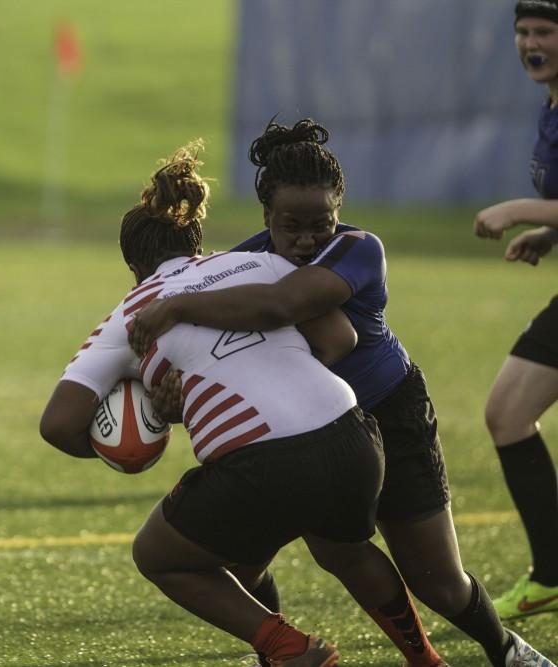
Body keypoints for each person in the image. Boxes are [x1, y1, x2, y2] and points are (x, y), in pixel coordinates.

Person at [127, 122, 554, 667]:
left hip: (390, 412)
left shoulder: (357, 248)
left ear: (339, 212)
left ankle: (508, 652)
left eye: (319, 225)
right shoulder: (242, 263)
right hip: (314, 433)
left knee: (440, 582)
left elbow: (285, 306)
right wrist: (175, 400)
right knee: (303, 553)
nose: (307, 240)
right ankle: (291, 654)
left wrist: (177, 307)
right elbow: (225, 362)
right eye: (291, 227)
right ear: (265, 218)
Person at [40, 141, 448, 667]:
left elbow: (59, 424)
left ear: (133, 266)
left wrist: (131, 436)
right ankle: (426, 659)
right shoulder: (260, 264)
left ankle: (287, 648)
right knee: (342, 550)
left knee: (160, 556)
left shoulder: (130, 314)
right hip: (353, 434)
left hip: (263, 462)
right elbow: (338, 339)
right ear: (197, 242)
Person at [468, 0, 558, 623]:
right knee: (507, 413)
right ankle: (552, 576)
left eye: (545, 31)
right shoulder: (551, 102)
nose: (530, 42)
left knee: (507, 411)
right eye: (523, 31)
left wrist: (519, 210)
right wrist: (548, 236)